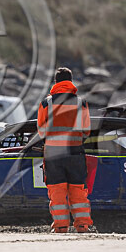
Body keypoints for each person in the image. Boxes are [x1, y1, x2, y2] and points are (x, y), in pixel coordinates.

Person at [37, 67, 94, 233]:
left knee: (57, 190)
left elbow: (41, 130)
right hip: (75, 152)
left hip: (53, 154)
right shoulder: (80, 102)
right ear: (71, 81)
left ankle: (61, 226)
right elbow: (86, 130)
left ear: (55, 82)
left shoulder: (46, 103)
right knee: (77, 190)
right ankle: (82, 224)